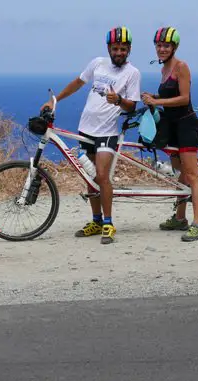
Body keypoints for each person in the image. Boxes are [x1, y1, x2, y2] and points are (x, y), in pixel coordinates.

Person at [41, 27, 141, 245]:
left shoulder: (133, 73)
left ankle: (108, 223)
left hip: (107, 132)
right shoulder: (97, 63)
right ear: (108, 48)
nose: (119, 52)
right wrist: (54, 100)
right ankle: (96, 221)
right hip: (86, 129)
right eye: (115, 48)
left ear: (129, 49)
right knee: (90, 176)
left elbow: (132, 106)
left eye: (123, 49)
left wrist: (119, 101)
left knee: (102, 176)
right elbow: (78, 83)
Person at [141, 26, 198, 242]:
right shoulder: (164, 69)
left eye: (166, 45)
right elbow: (170, 93)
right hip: (173, 127)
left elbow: (184, 98)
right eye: (159, 45)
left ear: (174, 47)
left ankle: (197, 225)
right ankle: (180, 219)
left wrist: (157, 101)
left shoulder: (181, 67)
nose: (161, 49)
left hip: (186, 125)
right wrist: (154, 95)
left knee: (192, 176)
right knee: (181, 174)